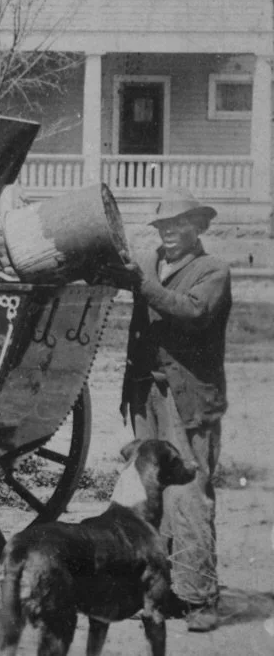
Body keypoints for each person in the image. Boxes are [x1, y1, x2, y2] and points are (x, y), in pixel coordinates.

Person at [117, 188, 230, 632]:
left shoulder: (212, 271)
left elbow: (191, 312)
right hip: (147, 394)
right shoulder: (149, 264)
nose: (168, 235)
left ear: (198, 228)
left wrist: (140, 283)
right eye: (162, 228)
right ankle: (158, 594)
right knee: (149, 496)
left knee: (189, 496)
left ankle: (201, 598)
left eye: (178, 227)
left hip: (188, 401)